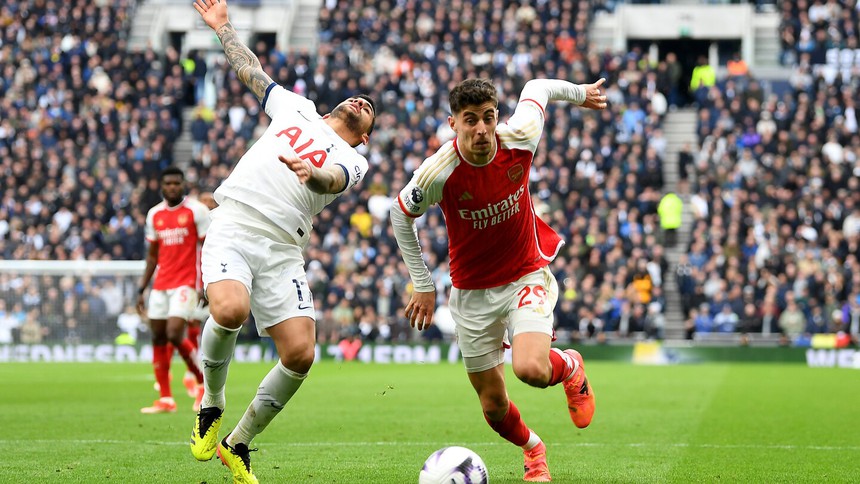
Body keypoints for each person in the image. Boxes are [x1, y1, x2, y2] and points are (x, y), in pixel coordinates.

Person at [189, 0, 377, 482]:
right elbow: (251, 71)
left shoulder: (355, 162)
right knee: (229, 311)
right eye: (358, 97)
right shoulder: (298, 108)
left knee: (300, 354)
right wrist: (223, 27)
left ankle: (239, 443)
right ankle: (211, 404)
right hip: (235, 220)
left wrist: (313, 172)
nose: (360, 101)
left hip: (282, 249)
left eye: (368, 110)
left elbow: (332, 180)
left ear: (364, 139)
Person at [390, 77, 604, 482]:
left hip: (526, 275)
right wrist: (422, 282)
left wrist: (580, 94)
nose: (482, 129)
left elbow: (537, 87)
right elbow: (400, 215)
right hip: (471, 293)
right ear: (453, 124)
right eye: (470, 120)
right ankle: (533, 449)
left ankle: (570, 366)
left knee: (530, 369)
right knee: (493, 406)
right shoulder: (438, 171)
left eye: (488, 118)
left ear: (497, 117)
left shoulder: (519, 137)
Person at [138, 166, 211, 414]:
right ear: (161, 186)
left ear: (183, 185)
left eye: (176, 183)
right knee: (158, 336)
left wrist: (205, 283)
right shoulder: (154, 215)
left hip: (187, 282)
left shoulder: (196, 211)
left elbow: (207, 249)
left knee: (174, 332)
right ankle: (166, 399)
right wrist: (141, 288)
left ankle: (203, 383)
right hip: (161, 284)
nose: (172, 187)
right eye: (167, 183)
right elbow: (152, 256)